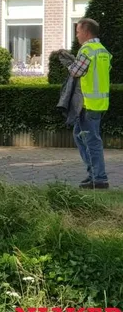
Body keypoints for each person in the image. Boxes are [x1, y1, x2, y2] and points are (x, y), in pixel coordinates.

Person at [57, 18, 112, 189]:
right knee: (81, 136)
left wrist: (69, 62)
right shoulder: (103, 50)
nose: (77, 35)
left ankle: (99, 178)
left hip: (87, 104)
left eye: (78, 32)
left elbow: (76, 72)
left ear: (86, 32)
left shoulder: (87, 50)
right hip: (99, 103)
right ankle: (94, 174)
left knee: (91, 141)